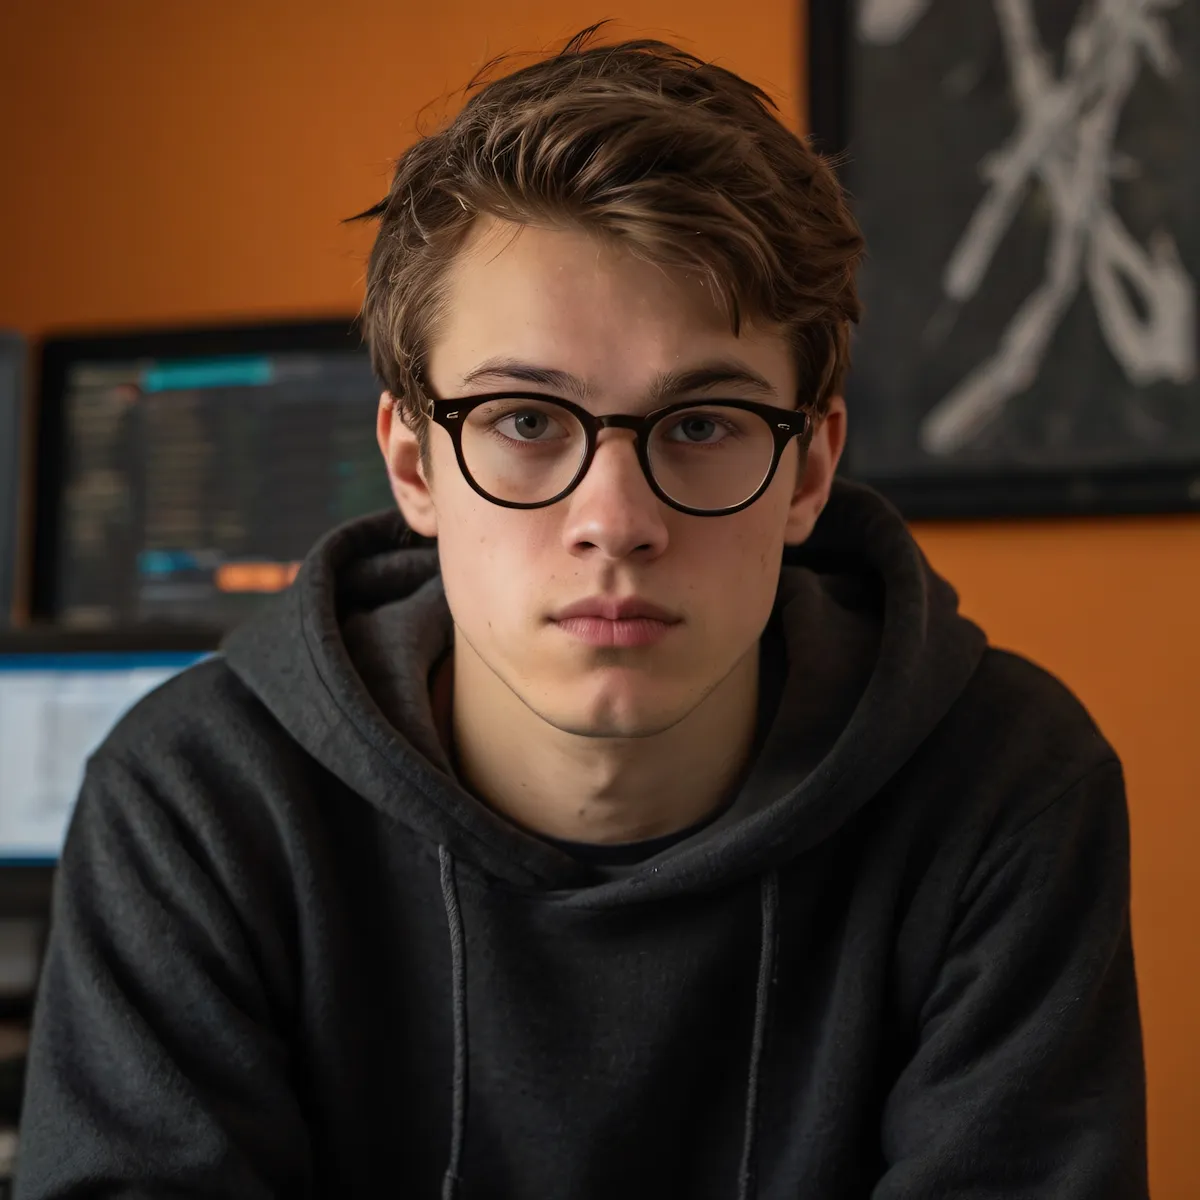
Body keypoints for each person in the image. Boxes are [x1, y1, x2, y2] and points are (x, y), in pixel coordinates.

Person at [17, 27, 1147, 1200]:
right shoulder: (196, 799)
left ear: (809, 470)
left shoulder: (1004, 783)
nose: (616, 520)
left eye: (703, 425)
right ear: (413, 466)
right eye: (524, 420)